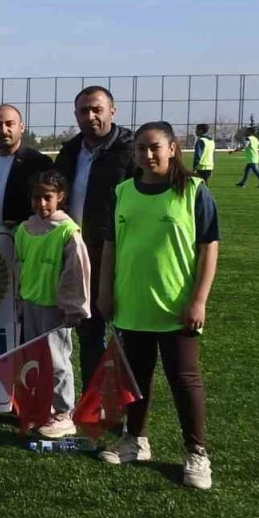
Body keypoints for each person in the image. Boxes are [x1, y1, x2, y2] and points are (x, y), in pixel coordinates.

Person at [97, 121, 220, 490]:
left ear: (172, 149)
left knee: (184, 379)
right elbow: (111, 246)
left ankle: (196, 453)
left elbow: (209, 248)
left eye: (155, 147)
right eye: (140, 148)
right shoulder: (122, 192)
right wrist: (105, 292)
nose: (147, 155)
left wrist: (199, 300)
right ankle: (136, 440)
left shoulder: (194, 191)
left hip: (176, 306)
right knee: (136, 377)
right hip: (132, 303)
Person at [53, 86, 136, 389]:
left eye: (97, 109)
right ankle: (94, 402)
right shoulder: (69, 152)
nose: (90, 116)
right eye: (83, 111)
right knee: (89, 336)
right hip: (79, 258)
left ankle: (128, 406)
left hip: (121, 258)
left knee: (129, 338)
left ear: (112, 111)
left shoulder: (131, 152)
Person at [15, 170, 91, 440]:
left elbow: (77, 272)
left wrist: (73, 307)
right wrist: (19, 298)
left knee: (57, 360)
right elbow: (19, 265)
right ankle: (42, 407)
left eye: (48, 197)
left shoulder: (68, 231)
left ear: (61, 197)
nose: (42, 203)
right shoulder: (25, 229)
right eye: (37, 198)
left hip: (55, 309)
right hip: (31, 304)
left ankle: (63, 413)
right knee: (35, 359)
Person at [0, 105, 53, 227]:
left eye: (9, 124)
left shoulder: (38, 163)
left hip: (23, 236)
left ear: (21, 127)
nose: (3, 130)